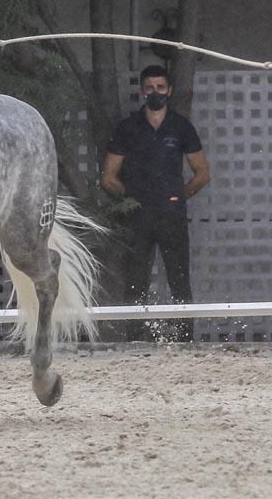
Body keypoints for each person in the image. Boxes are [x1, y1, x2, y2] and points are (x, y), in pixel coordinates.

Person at [101, 64, 210, 342]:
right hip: (138, 216)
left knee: (179, 279)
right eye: (150, 87)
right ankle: (135, 335)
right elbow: (108, 177)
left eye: (160, 87)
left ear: (169, 90)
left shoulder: (181, 126)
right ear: (142, 90)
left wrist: (177, 195)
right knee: (135, 279)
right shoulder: (128, 128)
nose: (155, 92)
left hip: (171, 215)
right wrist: (131, 198)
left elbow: (202, 174)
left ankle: (185, 338)